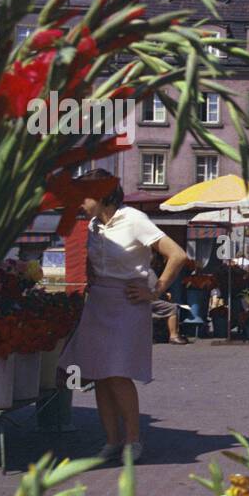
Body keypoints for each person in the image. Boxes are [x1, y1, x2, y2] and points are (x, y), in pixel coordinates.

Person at [60, 170, 188, 462]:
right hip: (98, 303)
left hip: (127, 303)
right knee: (99, 376)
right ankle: (112, 441)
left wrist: (154, 292)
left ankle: (133, 440)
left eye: (84, 196)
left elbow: (177, 255)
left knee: (118, 373)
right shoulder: (93, 225)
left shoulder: (134, 219)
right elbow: (94, 264)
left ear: (102, 194)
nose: (78, 202)